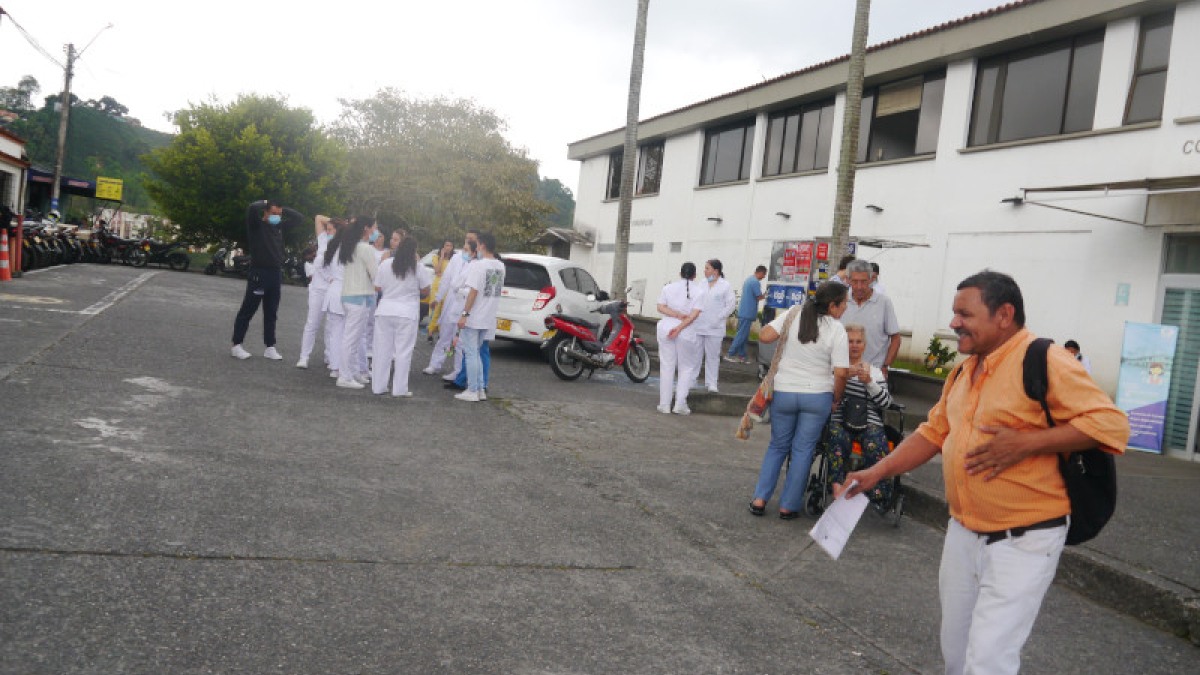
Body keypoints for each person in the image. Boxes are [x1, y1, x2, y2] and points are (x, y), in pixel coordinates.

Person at [839, 270, 1129, 675]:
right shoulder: (964, 370)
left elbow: (1112, 425)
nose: (954, 322)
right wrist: (876, 472)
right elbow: (933, 432)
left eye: (964, 314)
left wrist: (1026, 443)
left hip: (1025, 538)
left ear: (1004, 315)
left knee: (989, 658)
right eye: (954, 313)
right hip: (963, 532)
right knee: (956, 653)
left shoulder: (1044, 359)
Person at [749, 282, 849, 519]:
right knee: (803, 450)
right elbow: (842, 372)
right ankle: (788, 506)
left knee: (777, 446)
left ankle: (759, 499)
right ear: (833, 305)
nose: (846, 308)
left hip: (784, 391)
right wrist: (836, 396)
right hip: (817, 396)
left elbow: (764, 336)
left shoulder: (794, 313)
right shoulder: (837, 329)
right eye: (844, 303)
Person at [825, 323, 894, 505]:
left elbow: (886, 403)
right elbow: (826, 396)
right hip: (841, 417)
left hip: (868, 420)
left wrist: (870, 383)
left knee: (876, 443)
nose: (854, 346)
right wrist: (843, 377)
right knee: (836, 437)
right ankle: (836, 486)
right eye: (849, 342)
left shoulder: (875, 372)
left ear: (864, 345)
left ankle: (879, 494)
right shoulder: (835, 370)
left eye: (858, 341)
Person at [230, 199, 305, 360]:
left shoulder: (279, 226)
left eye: (279, 214)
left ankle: (270, 346)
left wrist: (282, 209)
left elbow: (299, 218)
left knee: (271, 312)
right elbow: (251, 208)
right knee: (248, 310)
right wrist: (265, 202)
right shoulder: (256, 225)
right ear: (265, 212)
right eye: (273, 213)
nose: (276, 217)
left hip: (275, 274)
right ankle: (236, 345)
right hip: (259, 273)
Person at [371, 236, 431, 397]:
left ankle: (378, 386)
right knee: (403, 352)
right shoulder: (418, 268)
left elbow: (377, 286)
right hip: (407, 312)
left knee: (382, 350)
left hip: (385, 310)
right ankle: (399, 389)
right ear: (414, 251)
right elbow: (426, 291)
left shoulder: (385, 264)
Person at [454, 232, 505, 402]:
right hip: (489, 316)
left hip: (475, 316)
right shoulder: (500, 266)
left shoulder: (479, 266)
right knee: (478, 352)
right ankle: (481, 388)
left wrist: (464, 314)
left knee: (471, 353)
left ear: (482, 245)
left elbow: (473, 292)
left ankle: (472, 389)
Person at [423, 233, 478, 377]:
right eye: (465, 245)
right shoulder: (456, 258)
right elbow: (446, 279)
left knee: (460, 341)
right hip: (451, 302)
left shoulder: (478, 264)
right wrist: (438, 297)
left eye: (468, 246)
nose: (465, 251)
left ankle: (458, 370)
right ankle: (434, 364)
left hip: (464, 304)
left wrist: (463, 291)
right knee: (444, 336)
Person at [334, 216, 377, 389]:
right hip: (359, 297)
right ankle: (345, 376)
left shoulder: (350, 246)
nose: (375, 231)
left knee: (353, 338)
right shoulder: (365, 248)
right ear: (366, 229)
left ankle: (350, 373)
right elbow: (376, 274)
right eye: (374, 227)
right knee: (351, 338)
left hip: (352, 296)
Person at [657, 263, 705, 415]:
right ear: (695, 276)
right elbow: (694, 315)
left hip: (666, 328)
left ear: (680, 273)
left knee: (667, 366)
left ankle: (664, 404)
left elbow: (660, 307)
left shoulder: (668, 288)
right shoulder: (699, 291)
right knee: (686, 368)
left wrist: (676, 317)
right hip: (686, 332)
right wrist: (679, 327)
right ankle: (680, 404)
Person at [840, 259, 900, 376]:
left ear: (872, 279)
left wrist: (885, 366)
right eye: (855, 281)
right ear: (848, 281)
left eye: (863, 281)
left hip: (873, 373)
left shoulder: (884, 302)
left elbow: (896, 338)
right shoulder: (841, 302)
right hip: (844, 372)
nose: (859, 286)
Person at [296, 215, 339, 369]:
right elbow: (318, 217)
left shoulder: (342, 245)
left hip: (333, 290)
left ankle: (330, 355)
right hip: (319, 289)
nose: (328, 232)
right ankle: (304, 357)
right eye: (327, 229)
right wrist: (334, 222)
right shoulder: (323, 240)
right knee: (312, 323)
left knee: (332, 326)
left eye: (331, 230)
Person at [695, 259, 736, 393]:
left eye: (707, 268)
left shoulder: (725, 286)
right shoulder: (701, 283)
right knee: (696, 354)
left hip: (715, 327)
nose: (705, 271)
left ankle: (711, 383)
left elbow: (730, 305)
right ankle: (692, 379)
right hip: (699, 325)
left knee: (712, 356)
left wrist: (718, 318)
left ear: (715, 271)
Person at [726, 265, 766, 364]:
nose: (764, 277)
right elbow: (759, 297)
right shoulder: (755, 282)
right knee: (741, 335)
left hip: (744, 311)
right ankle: (730, 354)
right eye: (764, 274)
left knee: (744, 335)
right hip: (747, 312)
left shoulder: (749, 280)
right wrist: (766, 294)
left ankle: (742, 356)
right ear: (760, 272)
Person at [426, 239, 456, 341]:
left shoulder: (454, 259)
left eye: (450, 245)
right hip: (437, 286)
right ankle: (430, 332)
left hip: (449, 287)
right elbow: (437, 270)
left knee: (445, 309)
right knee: (435, 309)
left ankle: (441, 332)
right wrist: (442, 257)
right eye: (446, 245)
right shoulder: (436, 257)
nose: (448, 248)